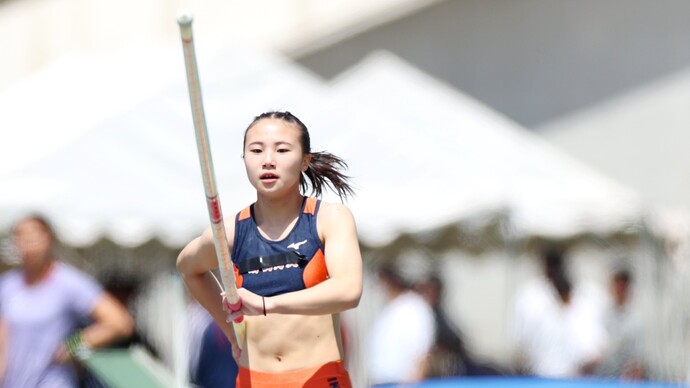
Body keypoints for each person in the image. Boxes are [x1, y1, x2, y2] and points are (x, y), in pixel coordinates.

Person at [177, 111, 363, 388]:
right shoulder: (229, 231)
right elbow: (188, 267)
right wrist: (232, 332)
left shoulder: (329, 218)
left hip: (318, 378)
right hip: (254, 379)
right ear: (244, 160)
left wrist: (267, 305)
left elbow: (348, 290)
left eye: (282, 149)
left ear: (304, 161)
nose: (267, 160)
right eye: (256, 150)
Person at [0, 214, 135, 387]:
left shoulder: (69, 283)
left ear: (49, 240)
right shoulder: (7, 286)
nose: (27, 245)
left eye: (33, 238)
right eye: (21, 238)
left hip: (55, 381)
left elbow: (120, 322)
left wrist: (72, 345)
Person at [510, 247, 606, 378]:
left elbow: (520, 342)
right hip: (559, 376)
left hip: (548, 376)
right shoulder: (533, 298)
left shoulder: (530, 298)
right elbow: (594, 352)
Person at [368, 261, 436, 386]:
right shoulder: (391, 308)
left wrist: (412, 384)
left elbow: (422, 353)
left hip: (401, 383)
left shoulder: (415, 307)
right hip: (383, 382)